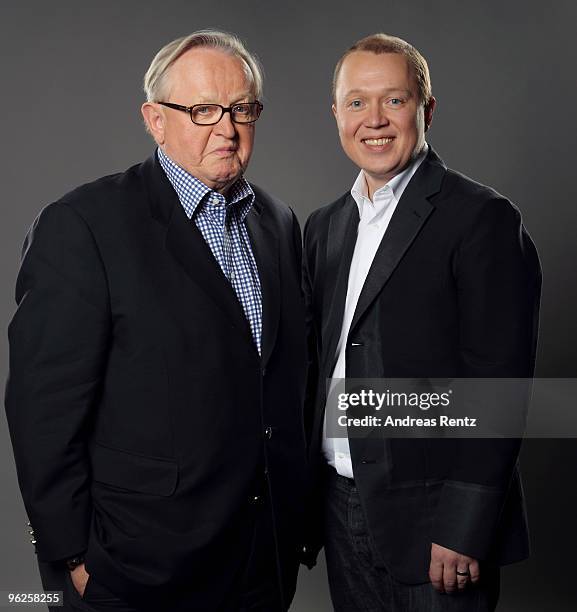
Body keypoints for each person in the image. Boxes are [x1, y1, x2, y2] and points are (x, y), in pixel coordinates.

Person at [5, 30, 309, 612]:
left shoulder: (278, 222)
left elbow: (282, 382)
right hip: (136, 567)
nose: (226, 127)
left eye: (242, 108)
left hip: (259, 560)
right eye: (201, 110)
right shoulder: (85, 225)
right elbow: (42, 412)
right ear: (154, 119)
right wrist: (69, 556)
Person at [302, 33, 541, 611]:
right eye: (357, 102)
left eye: (395, 100)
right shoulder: (323, 226)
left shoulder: (481, 219)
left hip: (436, 522)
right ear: (336, 113)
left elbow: (498, 386)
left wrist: (463, 526)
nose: (374, 120)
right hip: (339, 507)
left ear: (426, 109)